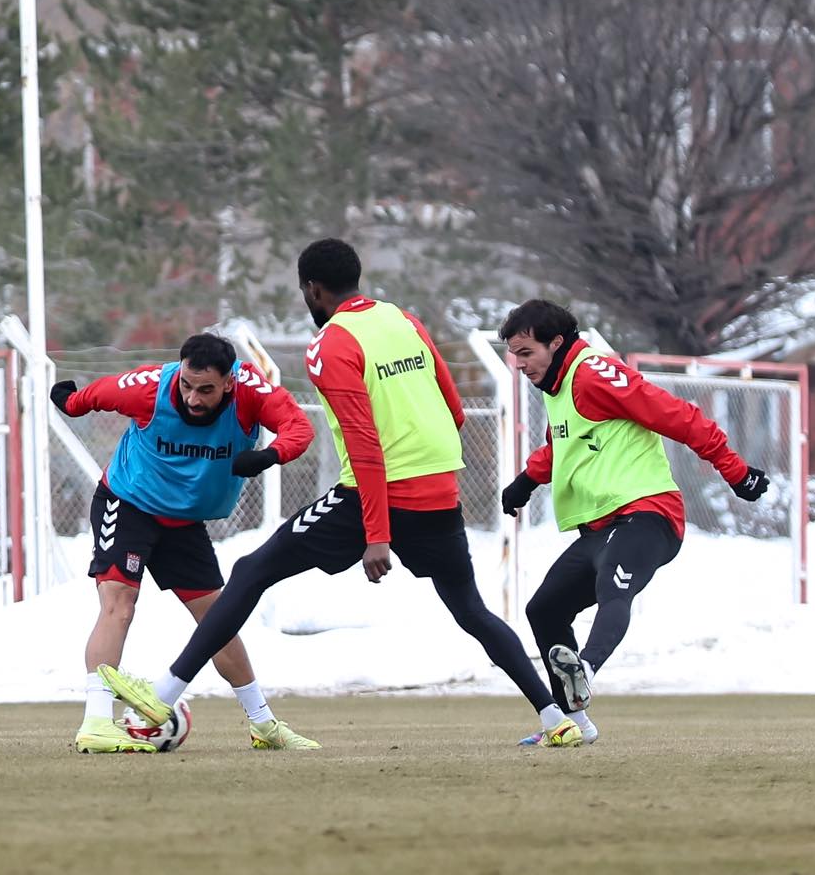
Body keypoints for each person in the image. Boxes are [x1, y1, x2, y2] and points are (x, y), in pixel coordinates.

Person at [97, 238, 584, 748]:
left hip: (371, 496)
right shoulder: (403, 321)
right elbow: (454, 408)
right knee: (471, 611)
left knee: (250, 571)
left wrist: (377, 535)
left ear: (312, 289)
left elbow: (365, 444)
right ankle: (557, 718)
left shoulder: (330, 344)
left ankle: (164, 694)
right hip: (438, 492)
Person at [498, 300, 770, 745]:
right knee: (543, 609)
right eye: (515, 355)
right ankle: (575, 723)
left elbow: (678, 416)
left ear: (557, 343)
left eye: (526, 353)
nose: (519, 364)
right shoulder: (559, 386)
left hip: (649, 515)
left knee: (612, 584)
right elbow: (561, 446)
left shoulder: (593, 374)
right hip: (601, 527)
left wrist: (734, 470)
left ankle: (583, 670)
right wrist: (526, 481)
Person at [51, 331, 322, 753]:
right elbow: (96, 395)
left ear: (230, 382)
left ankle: (263, 725)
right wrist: (70, 401)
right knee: (118, 604)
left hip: (184, 521)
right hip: (128, 504)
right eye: (187, 386)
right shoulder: (149, 388)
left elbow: (299, 427)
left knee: (218, 620)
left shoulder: (251, 392)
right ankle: (96, 724)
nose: (194, 398)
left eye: (207, 390)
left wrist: (271, 455)